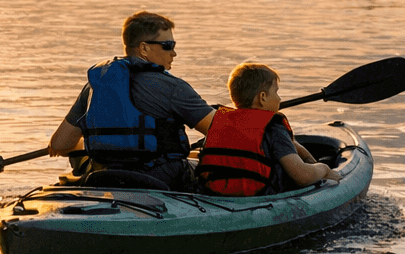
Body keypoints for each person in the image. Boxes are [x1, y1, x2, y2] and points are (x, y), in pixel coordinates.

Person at [47, 11, 216, 191]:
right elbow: (222, 131)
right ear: (144, 48)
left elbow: (59, 145)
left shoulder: (95, 86)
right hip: (161, 176)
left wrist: (99, 143)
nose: (174, 53)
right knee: (208, 167)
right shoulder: (173, 88)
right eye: (168, 45)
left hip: (105, 175)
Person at [197, 63, 341, 196]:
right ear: (263, 97)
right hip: (260, 196)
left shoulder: (219, 122)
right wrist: (323, 169)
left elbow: (289, 145)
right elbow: (302, 176)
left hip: (215, 195)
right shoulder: (274, 128)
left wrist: (310, 160)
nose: (279, 98)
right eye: (276, 92)